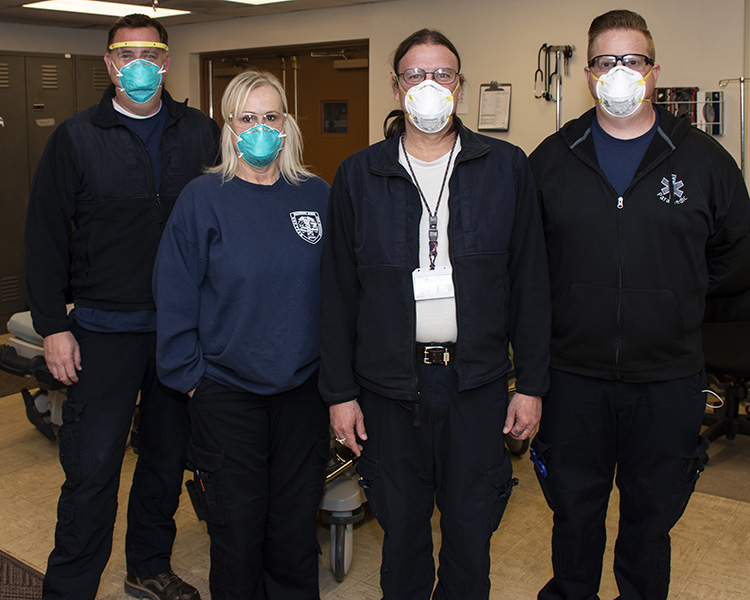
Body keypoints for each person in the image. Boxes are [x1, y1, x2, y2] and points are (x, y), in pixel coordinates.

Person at [319, 28, 551, 600]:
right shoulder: (358, 175)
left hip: (475, 381)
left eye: (442, 74)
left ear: (460, 86)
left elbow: (530, 283)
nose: (429, 86)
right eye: (415, 75)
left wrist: (534, 385)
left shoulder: (505, 167)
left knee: (471, 530)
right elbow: (337, 293)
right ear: (396, 87)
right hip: (388, 386)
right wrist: (339, 393)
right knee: (401, 532)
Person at [529, 9, 750, 600]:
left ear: (654, 71)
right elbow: (525, 267)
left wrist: (680, 294)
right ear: (589, 73)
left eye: (632, 61)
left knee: (650, 523)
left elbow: (737, 253)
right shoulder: (552, 159)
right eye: (606, 62)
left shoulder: (702, 159)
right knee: (574, 516)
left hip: (668, 377)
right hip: (574, 377)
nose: (619, 73)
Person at [24, 13, 220, 600]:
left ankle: (148, 567)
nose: (139, 65)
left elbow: (223, 227)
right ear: (108, 64)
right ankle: (70, 586)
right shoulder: (77, 136)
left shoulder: (201, 133)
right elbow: (44, 237)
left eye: (151, 54)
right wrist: (54, 327)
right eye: (125, 54)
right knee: (92, 469)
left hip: (180, 335)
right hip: (102, 334)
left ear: (166, 62)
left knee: (164, 462)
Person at [152, 69, 330, 600]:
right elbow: (175, 293)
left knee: (296, 534)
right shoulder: (203, 199)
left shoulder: (317, 195)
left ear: (286, 125)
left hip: (302, 394)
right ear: (230, 128)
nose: (260, 128)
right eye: (247, 118)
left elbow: (341, 292)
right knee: (237, 534)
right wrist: (192, 380)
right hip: (227, 395)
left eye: (270, 117)